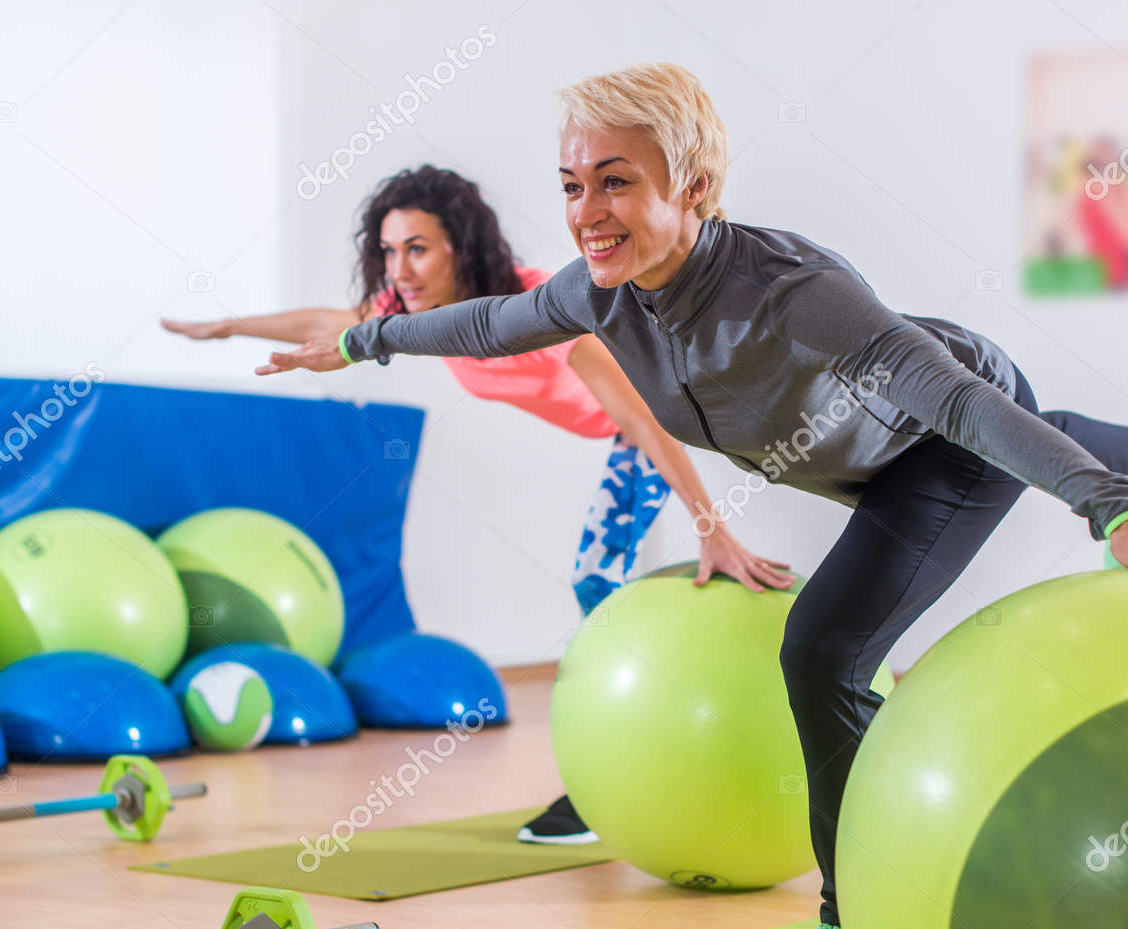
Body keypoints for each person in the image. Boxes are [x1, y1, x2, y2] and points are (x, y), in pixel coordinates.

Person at [257, 63, 1128, 929]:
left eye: (617, 181)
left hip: (941, 442)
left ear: (694, 186)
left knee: (823, 648)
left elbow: (959, 402)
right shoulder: (593, 291)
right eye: (571, 184)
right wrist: (360, 339)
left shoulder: (794, 290)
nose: (586, 211)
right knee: (878, 563)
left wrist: (1112, 512)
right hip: (853, 460)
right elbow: (487, 324)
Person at [163, 164, 790, 846]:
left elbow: (644, 421)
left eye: (418, 248)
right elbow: (330, 321)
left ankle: (611, 777)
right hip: (634, 432)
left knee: (593, 580)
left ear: (460, 245)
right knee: (598, 589)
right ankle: (619, 768)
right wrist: (228, 328)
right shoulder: (427, 317)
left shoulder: (547, 312)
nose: (398, 269)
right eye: (389, 250)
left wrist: (712, 527)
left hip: (682, 418)